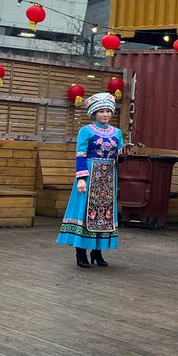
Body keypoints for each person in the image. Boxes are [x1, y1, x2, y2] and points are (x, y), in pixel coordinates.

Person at [57, 92, 124, 268]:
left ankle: (97, 251)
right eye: (101, 111)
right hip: (89, 175)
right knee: (86, 213)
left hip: (108, 177)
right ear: (94, 113)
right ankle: (81, 252)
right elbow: (80, 155)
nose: (105, 114)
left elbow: (120, 156)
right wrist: (81, 179)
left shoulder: (117, 133)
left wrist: (125, 156)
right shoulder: (85, 131)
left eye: (108, 111)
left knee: (104, 215)